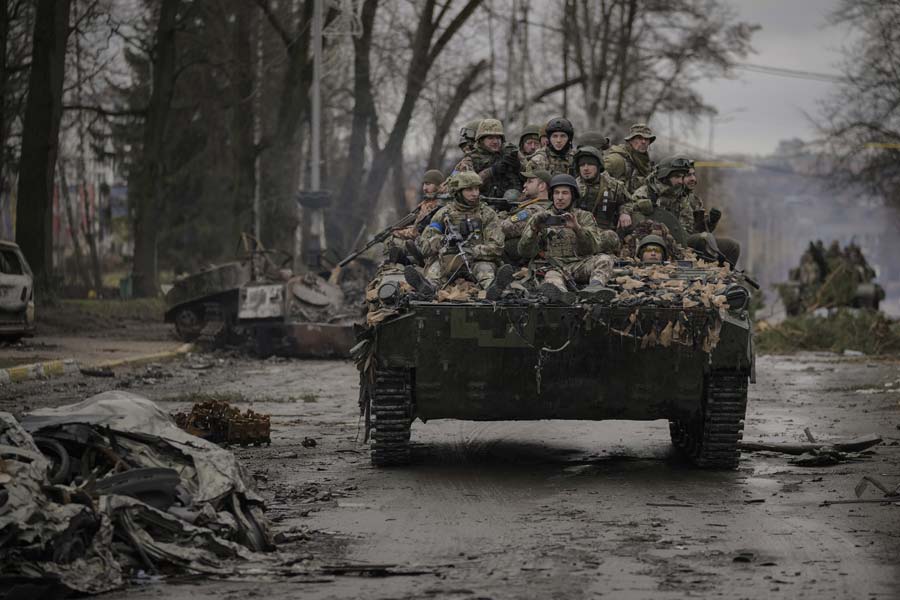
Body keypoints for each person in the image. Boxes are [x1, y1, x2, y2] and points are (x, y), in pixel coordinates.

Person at [407, 171, 511, 300]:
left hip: (477, 261)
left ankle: (495, 289)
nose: (475, 193)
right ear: (458, 192)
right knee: (434, 273)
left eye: (477, 189)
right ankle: (426, 289)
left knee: (485, 272)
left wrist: (473, 251)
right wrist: (443, 242)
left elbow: (497, 247)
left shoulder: (487, 214)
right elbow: (426, 246)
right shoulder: (443, 214)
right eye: (469, 189)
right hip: (448, 260)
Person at [518, 174, 615, 302]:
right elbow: (524, 252)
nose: (560, 197)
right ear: (552, 195)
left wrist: (577, 229)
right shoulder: (540, 218)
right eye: (556, 193)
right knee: (552, 280)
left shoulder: (584, 217)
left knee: (605, 259)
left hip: (578, 265)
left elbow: (593, 248)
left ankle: (594, 289)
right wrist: (534, 230)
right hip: (553, 267)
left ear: (572, 196)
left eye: (565, 193)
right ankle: (562, 296)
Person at [664, 156, 741, 265]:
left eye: (693, 174)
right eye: (688, 175)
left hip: (695, 242)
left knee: (733, 246)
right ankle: (708, 269)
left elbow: (702, 229)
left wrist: (711, 221)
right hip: (675, 242)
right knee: (704, 239)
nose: (693, 179)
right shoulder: (667, 197)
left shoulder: (694, 200)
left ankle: (721, 272)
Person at [621, 156, 690, 245]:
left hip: (675, 244)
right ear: (665, 176)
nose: (680, 181)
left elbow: (685, 229)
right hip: (646, 243)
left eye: (682, 177)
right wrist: (638, 206)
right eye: (677, 177)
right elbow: (629, 216)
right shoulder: (644, 193)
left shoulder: (682, 197)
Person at [384, 169, 446, 264]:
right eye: (424, 184)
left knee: (390, 241)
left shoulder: (438, 204)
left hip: (429, 244)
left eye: (428, 184)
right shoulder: (428, 201)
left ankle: (412, 261)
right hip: (424, 241)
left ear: (439, 185)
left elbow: (417, 231)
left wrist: (396, 232)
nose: (424, 188)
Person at [452, 118, 522, 198]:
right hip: (481, 202)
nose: (495, 142)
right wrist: (491, 171)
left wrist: (519, 166)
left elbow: (530, 177)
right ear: (481, 140)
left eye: (498, 138)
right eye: (490, 138)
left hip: (514, 202)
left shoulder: (511, 152)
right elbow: (458, 185)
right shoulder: (471, 159)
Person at [573, 145, 631, 235]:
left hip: (607, 233)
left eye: (590, 164)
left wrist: (624, 213)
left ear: (598, 166)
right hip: (580, 232)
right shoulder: (573, 187)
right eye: (582, 165)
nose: (586, 168)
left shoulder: (613, 186)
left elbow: (628, 202)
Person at [500, 167, 552, 264]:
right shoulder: (543, 205)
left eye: (530, 182)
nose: (524, 185)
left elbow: (504, 228)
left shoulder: (534, 210)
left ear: (542, 186)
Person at [604, 123, 656, 193]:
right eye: (639, 138)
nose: (643, 142)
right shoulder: (616, 160)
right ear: (630, 140)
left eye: (646, 139)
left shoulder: (646, 163)